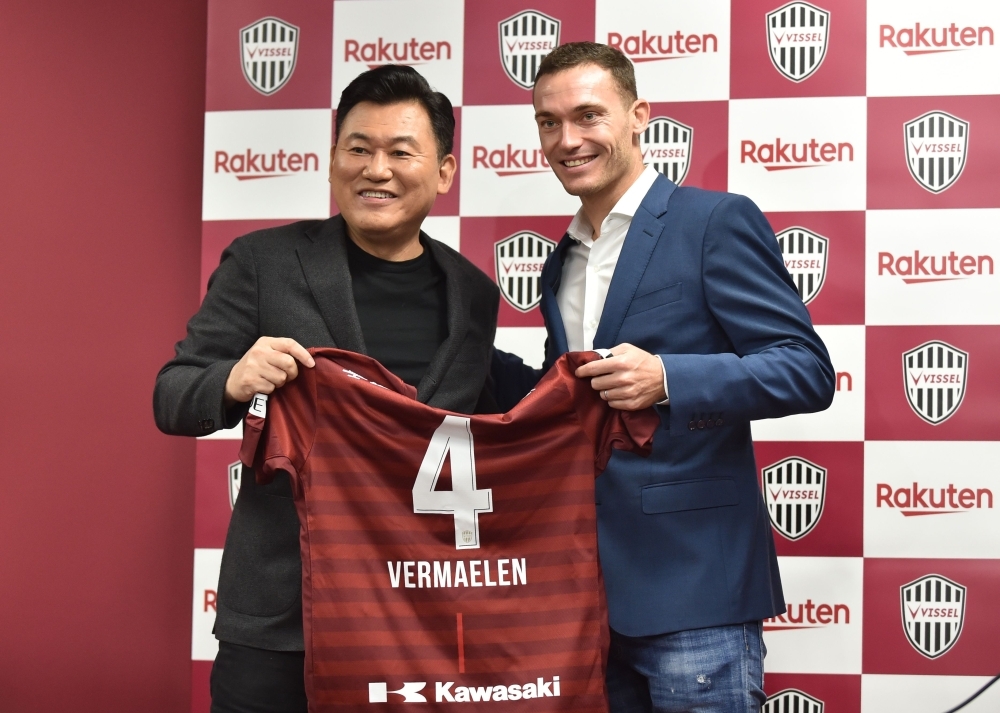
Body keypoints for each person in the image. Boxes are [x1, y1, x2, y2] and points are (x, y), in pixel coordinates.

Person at [491, 43, 835, 713]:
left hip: (696, 587)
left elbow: (806, 369)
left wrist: (668, 377)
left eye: (588, 115)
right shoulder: (560, 261)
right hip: (587, 598)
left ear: (638, 115)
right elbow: (574, 400)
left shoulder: (713, 222)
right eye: (548, 122)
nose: (568, 139)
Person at [154, 65, 499, 713]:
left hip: (416, 614)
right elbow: (171, 394)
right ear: (333, 158)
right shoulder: (264, 261)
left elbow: (498, 411)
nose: (377, 168)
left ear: (446, 171)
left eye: (401, 151)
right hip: (281, 616)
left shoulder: (474, 293)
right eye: (358, 148)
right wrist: (233, 377)